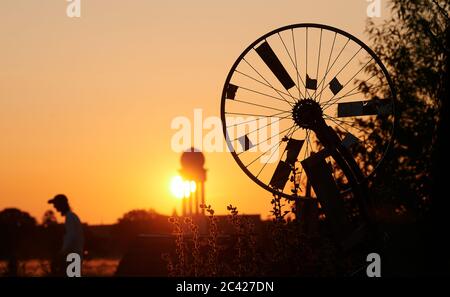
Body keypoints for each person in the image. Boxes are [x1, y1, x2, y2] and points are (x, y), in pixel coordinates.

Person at [48, 194, 84, 275]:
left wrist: (62, 252)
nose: (54, 206)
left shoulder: (70, 217)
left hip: (72, 255)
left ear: (61, 204)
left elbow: (71, 236)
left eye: (56, 204)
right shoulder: (71, 216)